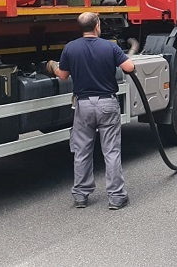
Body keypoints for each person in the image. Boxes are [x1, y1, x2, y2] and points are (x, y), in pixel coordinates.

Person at [48, 12, 135, 209]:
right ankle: (116, 197)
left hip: (83, 105)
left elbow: (62, 75)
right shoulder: (109, 46)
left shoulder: (71, 48)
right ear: (97, 25)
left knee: (82, 150)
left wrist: (53, 66)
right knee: (111, 151)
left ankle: (81, 195)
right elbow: (129, 67)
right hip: (107, 104)